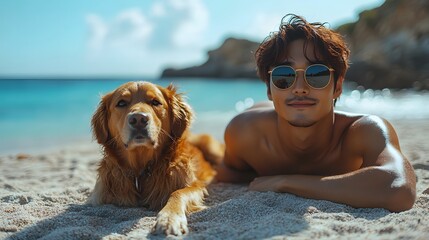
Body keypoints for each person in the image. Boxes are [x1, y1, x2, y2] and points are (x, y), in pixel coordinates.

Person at [215, 14, 416, 212]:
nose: (299, 88)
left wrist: (286, 181)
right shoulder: (245, 133)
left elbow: (399, 188)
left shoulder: (362, 131)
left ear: (337, 86)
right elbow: (227, 175)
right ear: (269, 89)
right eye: (283, 76)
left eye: (317, 74)